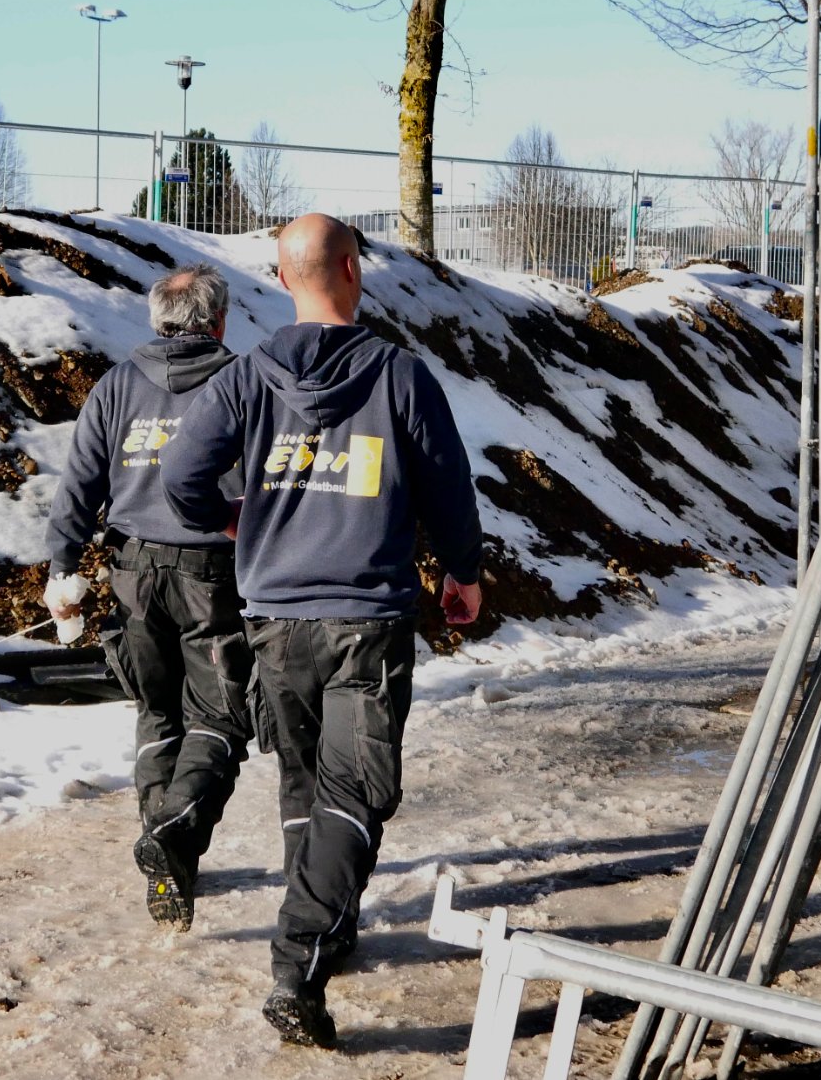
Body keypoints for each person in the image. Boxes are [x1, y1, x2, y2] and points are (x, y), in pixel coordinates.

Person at [160, 213, 484, 1049]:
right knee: (358, 792)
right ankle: (300, 960)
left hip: (274, 619)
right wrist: (463, 571)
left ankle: (324, 928)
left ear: (282, 277)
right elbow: (447, 485)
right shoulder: (399, 375)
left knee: (308, 784)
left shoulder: (248, 375)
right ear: (351, 269)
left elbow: (179, 474)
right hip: (365, 620)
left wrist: (233, 519)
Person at [42, 262, 251, 933]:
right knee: (219, 716)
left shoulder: (118, 384)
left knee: (157, 708)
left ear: (156, 319)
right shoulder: (244, 382)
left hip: (132, 570)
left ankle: (163, 843)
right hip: (213, 574)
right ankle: (176, 833)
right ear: (218, 321)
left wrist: (62, 565)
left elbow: (78, 483)